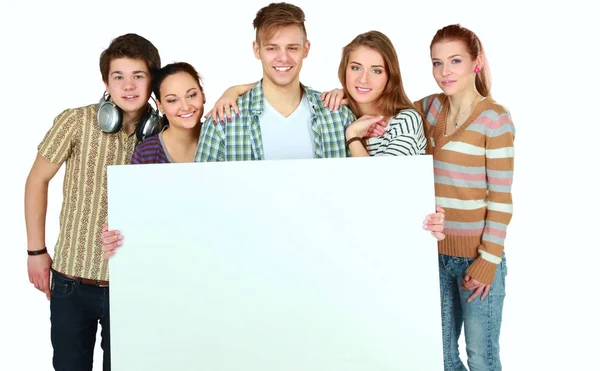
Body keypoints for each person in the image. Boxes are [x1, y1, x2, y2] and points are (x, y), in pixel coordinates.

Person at [321, 24, 515, 370]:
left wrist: (488, 261)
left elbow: (501, 198)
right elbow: (380, 101)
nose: (445, 71)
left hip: (477, 257)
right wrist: (342, 94)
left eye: (455, 61)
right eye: (437, 63)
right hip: (432, 254)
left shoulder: (494, 119)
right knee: (440, 357)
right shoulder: (428, 109)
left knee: (482, 357)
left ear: (477, 62)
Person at [24, 33, 161, 370]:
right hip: (71, 282)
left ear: (152, 81)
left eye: (138, 76)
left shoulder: (166, 131)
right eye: (119, 76)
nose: (128, 86)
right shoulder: (76, 121)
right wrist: (35, 251)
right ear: (106, 82)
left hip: (133, 286)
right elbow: (36, 180)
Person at [101, 61, 206, 256]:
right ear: (160, 105)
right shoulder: (147, 153)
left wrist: (234, 91)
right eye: (172, 100)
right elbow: (133, 217)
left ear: (203, 94)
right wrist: (115, 237)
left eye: (192, 95)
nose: (185, 106)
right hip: (166, 257)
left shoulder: (222, 139)